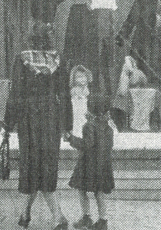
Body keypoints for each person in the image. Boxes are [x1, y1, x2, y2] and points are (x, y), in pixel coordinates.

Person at [3, 24, 71, 230]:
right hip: (51, 116)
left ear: (31, 39)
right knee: (48, 164)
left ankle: (27, 214)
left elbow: (15, 94)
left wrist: (7, 124)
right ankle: (55, 216)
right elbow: (65, 95)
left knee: (30, 164)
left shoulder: (21, 60)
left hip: (28, 117)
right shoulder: (58, 60)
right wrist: (67, 125)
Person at [66, 94, 114, 230]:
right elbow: (109, 146)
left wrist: (71, 139)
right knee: (99, 192)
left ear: (89, 110)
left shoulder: (89, 126)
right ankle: (103, 220)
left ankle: (86, 217)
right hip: (103, 165)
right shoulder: (108, 127)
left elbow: (86, 144)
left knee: (81, 190)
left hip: (88, 165)